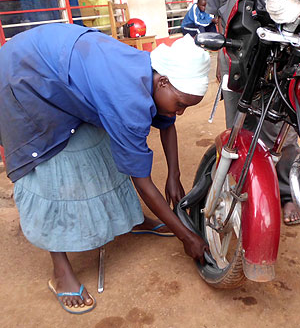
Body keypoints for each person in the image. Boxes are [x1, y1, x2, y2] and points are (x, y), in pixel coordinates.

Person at [0, 23, 210, 314]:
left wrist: (174, 174)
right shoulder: (127, 100)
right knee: (52, 167)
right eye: (180, 104)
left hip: (58, 64)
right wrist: (187, 237)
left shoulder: (152, 75)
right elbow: (142, 181)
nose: (181, 112)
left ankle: (131, 219)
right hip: (23, 76)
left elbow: (167, 123)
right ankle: (60, 271)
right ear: (162, 82)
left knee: (99, 147)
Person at [206, 0, 300, 225]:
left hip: (279, 58)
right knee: (237, 130)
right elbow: (219, 17)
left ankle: (288, 194)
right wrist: (224, 64)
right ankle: (245, 188)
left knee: (282, 134)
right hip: (235, 60)